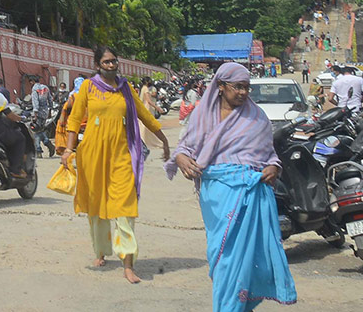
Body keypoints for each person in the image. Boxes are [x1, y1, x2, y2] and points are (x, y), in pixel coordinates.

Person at [166, 62, 296, 311]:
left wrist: (273, 168)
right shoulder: (203, 115)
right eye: (238, 87)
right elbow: (185, 147)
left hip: (252, 193)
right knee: (223, 257)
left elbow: (270, 156)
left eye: (247, 88)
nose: (243, 93)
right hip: (218, 195)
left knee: (245, 261)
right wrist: (181, 158)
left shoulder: (257, 118)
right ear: (221, 86)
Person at [61, 46, 169, 284]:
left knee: (125, 209)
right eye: (106, 62)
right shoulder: (88, 87)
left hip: (122, 155)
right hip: (92, 155)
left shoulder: (126, 89)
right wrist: (69, 149)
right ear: (97, 65)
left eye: (114, 61)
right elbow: (75, 118)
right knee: (97, 207)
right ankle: (100, 251)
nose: (111, 65)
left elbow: (145, 115)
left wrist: (163, 138)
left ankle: (128, 264)